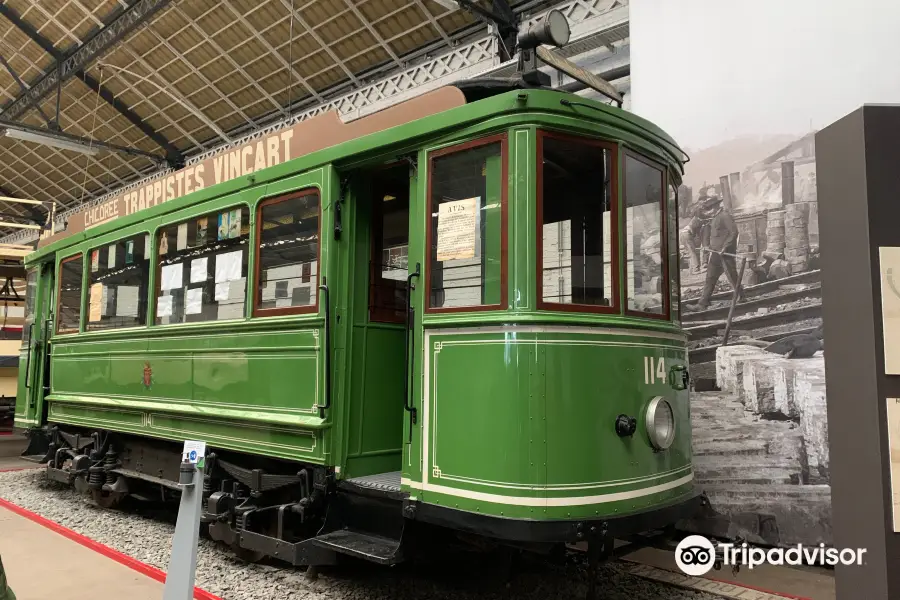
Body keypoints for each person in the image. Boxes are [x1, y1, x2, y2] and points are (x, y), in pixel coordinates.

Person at [697, 194, 742, 309]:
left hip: (725, 253)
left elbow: (734, 232)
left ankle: (741, 297)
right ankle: (702, 303)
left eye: (710, 208)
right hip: (716, 254)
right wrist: (709, 247)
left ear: (717, 206)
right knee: (710, 277)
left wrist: (725, 247)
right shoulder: (715, 218)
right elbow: (717, 236)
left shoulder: (724, 216)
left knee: (732, 276)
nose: (709, 211)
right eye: (708, 209)